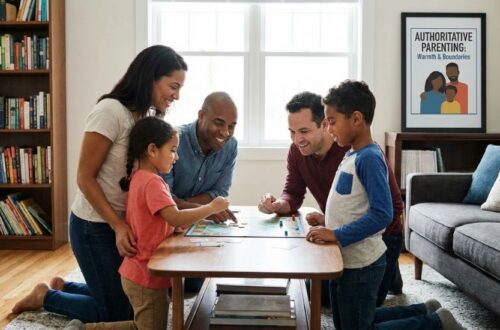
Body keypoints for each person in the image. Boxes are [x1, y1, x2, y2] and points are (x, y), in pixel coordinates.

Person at [12, 45, 188, 323]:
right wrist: (117, 226)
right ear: (151, 78)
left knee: (135, 299)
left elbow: (148, 185)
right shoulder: (110, 111)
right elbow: (84, 176)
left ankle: (65, 287)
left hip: (123, 227)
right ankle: (46, 297)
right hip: (93, 227)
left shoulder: (146, 119)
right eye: (173, 86)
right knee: (118, 313)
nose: (177, 96)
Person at [306, 80, 464, 330]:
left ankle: (436, 323)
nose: (328, 127)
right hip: (346, 261)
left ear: (356, 119)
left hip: (361, 265)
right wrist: (328, 221)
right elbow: (353, 204)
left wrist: (336, 234)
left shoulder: (369, 158)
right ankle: (424, 309)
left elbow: (382, 214)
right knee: (349, 321)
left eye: (332, 121)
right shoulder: (352, 154)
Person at [65, 117, 230, 330]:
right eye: (172, 150)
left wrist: (171, 227)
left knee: (147, 324)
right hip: (146, 275)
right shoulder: (153, 183)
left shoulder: (140, 176)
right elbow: (175, 216)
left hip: (141, 271)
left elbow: (154, 220)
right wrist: (211, 208)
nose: (176, 157)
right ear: (152, 150)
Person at [258, 91, 404, 307]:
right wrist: (278, 205)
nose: (297, 139)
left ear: (325, 124)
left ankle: (390, 270)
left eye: (304, 131)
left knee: (325, 297)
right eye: (292, 132)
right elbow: (293, 192)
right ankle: (389, 276)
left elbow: (391, 209)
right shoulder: (297, 151)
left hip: (380, 240)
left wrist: (375, 251)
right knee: (309, 287)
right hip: (341, 230)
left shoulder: (357, 150)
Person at [162, 91, 238, 292]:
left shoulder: (231, 146)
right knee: (162, 288)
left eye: (231, 126)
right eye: (219, 123)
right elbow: (163, 198)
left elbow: (220, 190)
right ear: (201, 116)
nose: (225, 132)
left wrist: (186, 206)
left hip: (194, 223)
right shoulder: (173, 141)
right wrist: (204, 209)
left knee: (196, 287)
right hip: (164, 224)